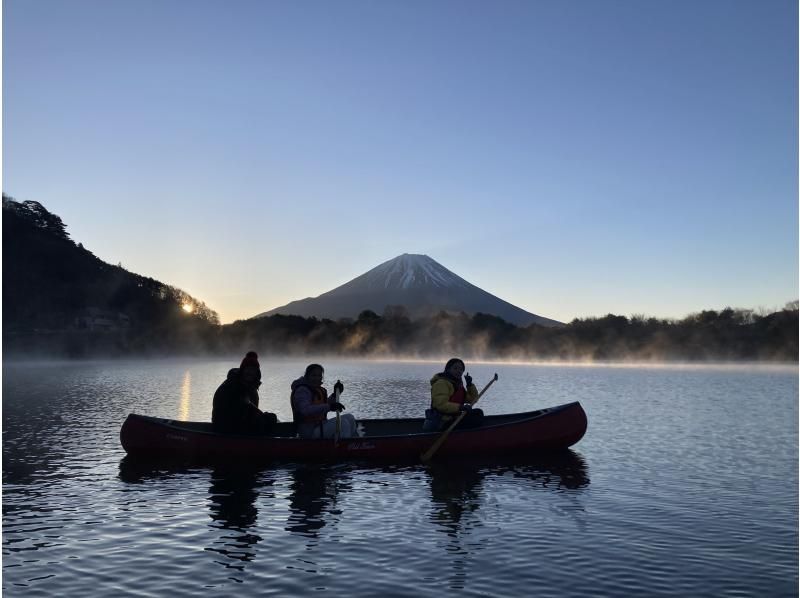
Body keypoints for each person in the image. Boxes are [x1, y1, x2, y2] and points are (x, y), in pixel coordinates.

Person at [212, 351, 278, 434]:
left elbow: (252, 414)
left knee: (270, 419)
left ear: (257, 373)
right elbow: (222, 415)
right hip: (225, 430)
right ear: (242, 371)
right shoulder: (229, 386)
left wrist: (263, 417)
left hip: (242, 428)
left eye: (253, 370)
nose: (250, 372)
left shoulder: (252, 389)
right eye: (248, 369)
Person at [290, 363, 358, 439]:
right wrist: (329, 407)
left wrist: (335, 394)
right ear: (307, 376)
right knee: (343, 423)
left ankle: (354, 444)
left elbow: (324, 405)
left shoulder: (317, 389)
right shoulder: (302, 391)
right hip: (309, 431)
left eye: (319, 376)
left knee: (350, 417)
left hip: (320, 425)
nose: (317, 378)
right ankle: (344, 447)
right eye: (314, 375)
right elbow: (305, 410)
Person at [424, 357, 484, 432]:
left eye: (461, 369)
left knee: (478, 413)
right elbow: (441, 405)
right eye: (455, 368)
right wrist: (460, 407)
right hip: (441, 423)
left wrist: (469, 385)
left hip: (453, 419)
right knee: (477, 416)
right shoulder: (441, 383)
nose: (459, 371)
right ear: (448, 369)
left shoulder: (456, 384)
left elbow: (473, 400)